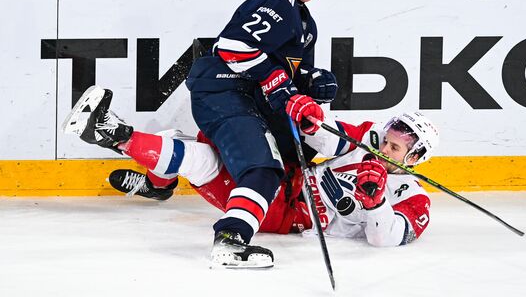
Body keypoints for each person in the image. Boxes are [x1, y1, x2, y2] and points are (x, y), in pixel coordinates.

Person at [65, 0, 338, 269]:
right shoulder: (279, 2)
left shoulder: (305, 20)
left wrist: (309, 83)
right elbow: (233, 47)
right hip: (227, 90)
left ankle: (151, 180)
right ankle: (230, 240)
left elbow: (288, 72)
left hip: (240, 95)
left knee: (199, 156)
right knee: (263, 169)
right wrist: (278, 82)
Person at [64, 86, 439, 257]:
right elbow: (330, 137)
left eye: (394, 147)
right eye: (386, 139)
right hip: (287, 173)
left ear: (414, 158)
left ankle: (115, 135)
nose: (382, 148)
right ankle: (151, 178)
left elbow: (385, 239)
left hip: (286, 212)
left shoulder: (413, 198)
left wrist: (375, 203)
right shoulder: (367, 140)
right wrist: (310, 120)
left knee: (198, 160)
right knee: (191, 142)